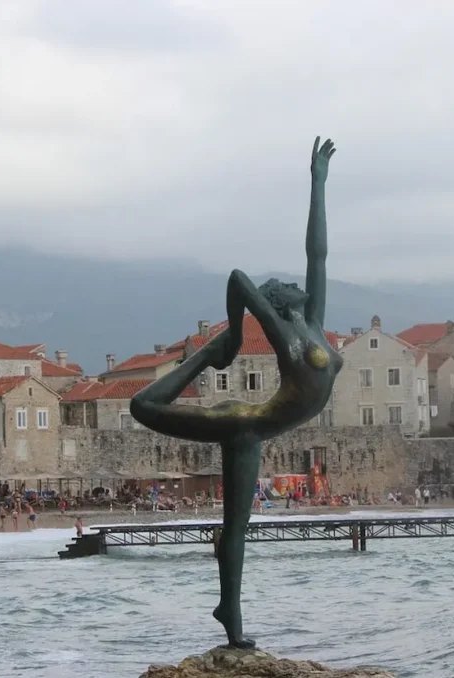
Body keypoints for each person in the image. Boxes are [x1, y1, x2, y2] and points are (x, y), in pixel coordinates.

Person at [130, 137, 341, 649]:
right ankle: (202, 358)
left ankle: (230, 610)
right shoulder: (280, 327)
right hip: (242, 422)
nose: (297, 283)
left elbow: (318, 252)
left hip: (255, 429)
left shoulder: (313, 322)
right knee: (141, 406)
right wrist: (229, 335)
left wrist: (317, 183)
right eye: (285, 284)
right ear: (278, 302)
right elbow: (237, 278)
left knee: (237, 526)